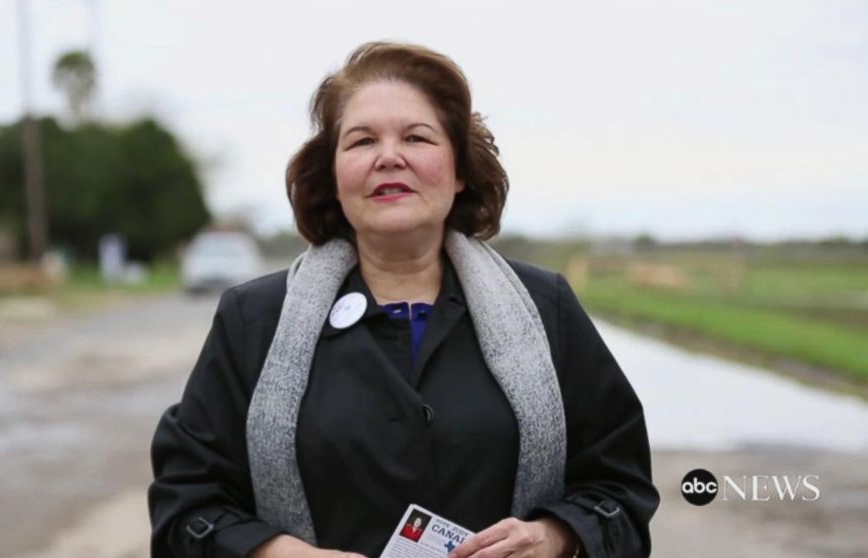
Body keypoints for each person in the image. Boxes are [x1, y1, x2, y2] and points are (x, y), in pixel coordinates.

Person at [149, 41, 659, 558]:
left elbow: (620, 485)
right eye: (362, 141)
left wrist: (553, 536)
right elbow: (186, 505)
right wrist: (277, 554)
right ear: (333, 175)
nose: (389, 157)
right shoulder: (253, 320)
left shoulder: (545, 308)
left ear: (459, 171)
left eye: (416, 137)